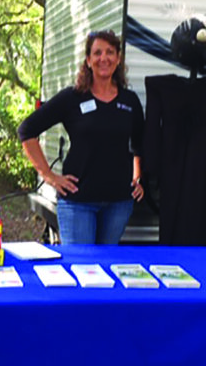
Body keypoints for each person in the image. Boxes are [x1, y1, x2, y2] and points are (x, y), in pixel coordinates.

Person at [18, 30, 144, 244]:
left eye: (110, 52)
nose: (104, 58)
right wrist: (49, 176)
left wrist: (138, 177)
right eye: (97, 53)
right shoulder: (72, 98)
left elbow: (139, 143)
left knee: (106, 266)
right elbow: (26, 130)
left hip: (119, 203)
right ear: (88, 60)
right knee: (81, 267)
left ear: (118, 59)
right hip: (78, 202)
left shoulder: (130, 101)